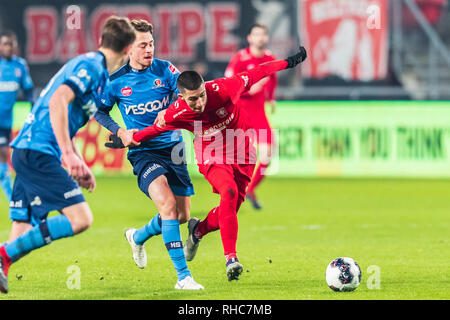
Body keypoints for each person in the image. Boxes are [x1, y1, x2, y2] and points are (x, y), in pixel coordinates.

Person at [107, 46, 307, 281]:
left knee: (229, 209)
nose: (200, 101)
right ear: (181, 97)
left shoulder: (224, 88)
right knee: (228, 192)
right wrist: (129, 139)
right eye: (193, 98)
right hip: (211, 156)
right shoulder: (176, 112)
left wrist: (289, 62)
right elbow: (153, 130)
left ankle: (198, 230)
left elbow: (258, 72)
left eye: (201, 94)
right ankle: (231, 259)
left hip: (243, 154)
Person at [0, 16, 136, 294]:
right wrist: (67, 155)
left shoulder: (96, 75)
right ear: (128, 49)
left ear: (101, 39)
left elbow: (66, 117)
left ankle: (3, 261)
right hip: (37, 151)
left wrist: (77, 159)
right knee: (80, 219)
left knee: (22, 230)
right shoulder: (90, 66)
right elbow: (58, 99)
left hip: (29, 150)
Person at [95, 19, 203, 290]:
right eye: (142, 45)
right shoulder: (115, 81)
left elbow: (184, 97)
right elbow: (99, 111)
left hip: (174, 148)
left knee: (180, 216)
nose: (149, 49)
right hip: (143, 152)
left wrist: (172, 109)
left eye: (151, 44)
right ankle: (183, 277)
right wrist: (120, 131)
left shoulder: (166, 70)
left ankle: (138, 236)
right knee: (166, 204)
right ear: (129, 48)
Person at [225, 24, 278, 210]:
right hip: (240, 114)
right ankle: (230, 192)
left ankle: (249, 189)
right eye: (256, 34)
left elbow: (272, 78)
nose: (260, 38)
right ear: (249, 38)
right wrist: (248, 89)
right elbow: (229, 85)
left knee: (268, 154)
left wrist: (271, 99)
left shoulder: (269, 58)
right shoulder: (240, 59)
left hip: (258, 114)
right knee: (238, 159)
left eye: (263, 35)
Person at [0, 30, 34, 202]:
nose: (8, 47)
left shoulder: (19, 66)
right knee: (3, 158)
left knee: (4, 159)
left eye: (11, 44)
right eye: (5, 43)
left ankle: (13, 199)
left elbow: (28, 91)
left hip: (6, 121)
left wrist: (33, 112)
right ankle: (13, 198)